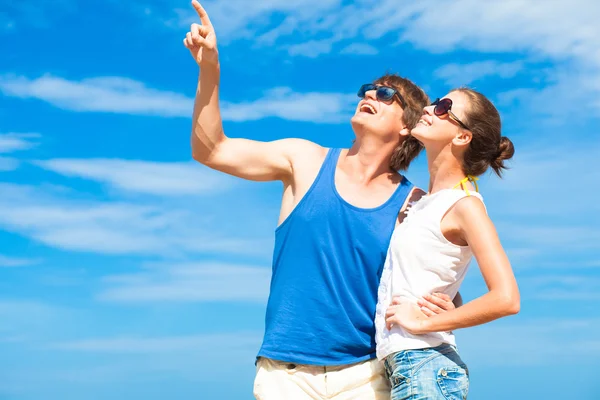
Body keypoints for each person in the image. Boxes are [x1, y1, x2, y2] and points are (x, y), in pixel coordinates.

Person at [183, 1, 459, 399]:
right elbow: (211, 150)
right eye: (368, 89)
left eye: (386, 94)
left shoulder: (413, 203)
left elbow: (431, 282)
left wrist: (447, 309)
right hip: (286, 375)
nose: (370, 94)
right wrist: (209, 68)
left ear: (406, 126)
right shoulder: (304, 160)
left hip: (368, 376)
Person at [378, 89, 521, 400]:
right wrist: (453, 300)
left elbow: (507, 298)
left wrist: (424, 322)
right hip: (402, 366)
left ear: (462, 138)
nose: (429, 108)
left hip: (426, 365)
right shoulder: (419, 202)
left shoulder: (465, 205)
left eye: (443, 107)